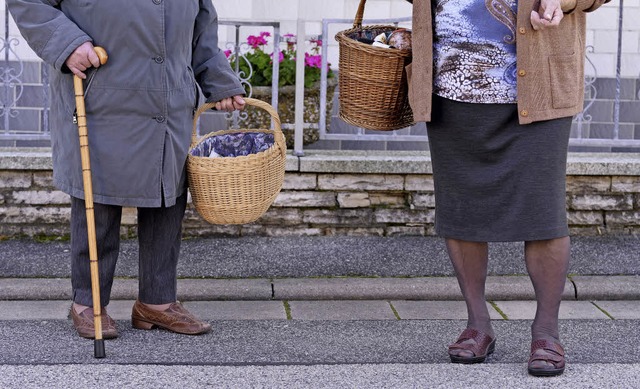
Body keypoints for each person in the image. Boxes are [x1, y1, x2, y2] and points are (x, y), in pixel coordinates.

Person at [7, 0, 246, 338]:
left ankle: (157, 303)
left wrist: (219, 80)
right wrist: (67, 43)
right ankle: (88, 303)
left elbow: (201, 28)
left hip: (168, 98)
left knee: (167, 198)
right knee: (99, 202)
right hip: (102, 96)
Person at [405, 0, 610, 377]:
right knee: (461, 209)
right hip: (450, 84)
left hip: (540, 86)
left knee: (543, 213)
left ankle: (546, 331)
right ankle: (477, 323)